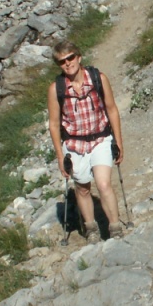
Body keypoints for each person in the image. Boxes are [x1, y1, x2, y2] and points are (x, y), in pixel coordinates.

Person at [47, 40, 125, 240]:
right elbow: (54, 125)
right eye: (61, 61)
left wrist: (118, 141)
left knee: (103, 184)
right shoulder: (56, 89)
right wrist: (59, 156)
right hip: (74, 144)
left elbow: (112, 109)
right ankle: (91, 228)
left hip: (100, 138)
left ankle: (115, 227)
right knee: (82, 188)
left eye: (70, 57)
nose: (67, 63)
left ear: (79, 57)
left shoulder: (99, 79)